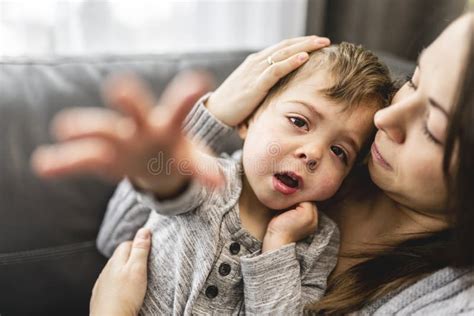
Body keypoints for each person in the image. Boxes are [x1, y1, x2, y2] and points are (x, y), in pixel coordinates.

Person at [89, 12, 474, 315]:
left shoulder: (316, 244)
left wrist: (277, 250)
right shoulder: (220, 179)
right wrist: (207, 121)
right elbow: (145, 212)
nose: (384, 120)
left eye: (433, 129)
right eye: (414, 80)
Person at [31, 41, 394, 314]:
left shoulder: (318, 242)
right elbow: (172, 186)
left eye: (339, 152)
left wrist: (278, 245)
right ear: (249, 120)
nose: (312, 153)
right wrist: (156, 165)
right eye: (299, 122)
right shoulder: (209, 176)